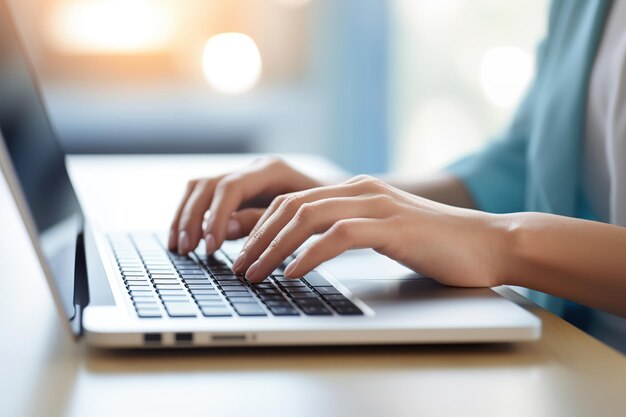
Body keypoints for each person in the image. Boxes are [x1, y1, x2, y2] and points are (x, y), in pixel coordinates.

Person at [169, 0, 626, 350]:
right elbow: (528, 162)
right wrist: (348, 202)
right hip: (567, 353)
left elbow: (498, 229)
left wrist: (500, 242)